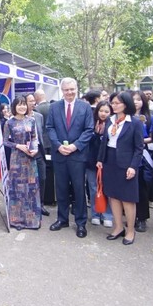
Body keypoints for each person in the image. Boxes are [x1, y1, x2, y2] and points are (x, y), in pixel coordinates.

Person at [46, 78, 95, 238]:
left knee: (79, 189)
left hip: (77, 155)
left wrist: (75, 146)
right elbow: (50, 128)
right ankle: (62, 219)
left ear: (76, 89)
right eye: (66, 90)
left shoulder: (85, 107)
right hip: (59, 154)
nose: (69, 92)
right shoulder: (54, 107)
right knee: (61, 188)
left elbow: (89, 130)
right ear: (62, 90)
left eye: (72, 89)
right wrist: (58, 145)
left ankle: (81, 223)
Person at [97, 91, 145, 245]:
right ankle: (118, 227)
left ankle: (130, 230)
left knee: (127, 198)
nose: (114, 105)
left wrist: (133, 166)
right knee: (113, 195)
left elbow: (139, 148)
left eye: (118, 103)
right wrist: (100, 160)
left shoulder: (135, 123)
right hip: (110, 161)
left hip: (126, 163)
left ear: (126, 104)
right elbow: (104, 142)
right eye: (113, 103)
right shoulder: (110, 121)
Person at [3, 96, 42, 229]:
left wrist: (35, 149)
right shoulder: (9, 123)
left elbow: (35, 138)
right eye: (19, 105)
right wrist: (19, 146)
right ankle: (17, 220)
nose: (22, 107)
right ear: (14, 107)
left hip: (30, 159)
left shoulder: (31, 121)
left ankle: (32, 220)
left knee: (31, 188)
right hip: (16, 159)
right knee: (17, 188)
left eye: (24, 104)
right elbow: (5, 141)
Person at [131, 90, 153, 233]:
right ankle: (130, 216)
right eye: (133, 99)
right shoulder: (124, 117)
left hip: (143, 155)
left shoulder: (150, 118)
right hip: (126, 155)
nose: (136, 102)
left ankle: (142, 218)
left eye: (139, 99)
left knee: (142, 188)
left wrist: (140, 141)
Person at [86, 101, 113, 227]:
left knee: (106, 189)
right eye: (101, 111)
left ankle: (107, 214)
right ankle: (95, 213)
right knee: (93, 188)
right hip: (91, 161)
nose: (103, 114)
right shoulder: (91, 124)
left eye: (106, 111)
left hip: (107, 162)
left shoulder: (113, 125)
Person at [26, 92, 50, 216]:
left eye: (33, 100)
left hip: (39, 152)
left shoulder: (39, 116)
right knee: (28, 180)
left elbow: (42, 133)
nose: (32, 103)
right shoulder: (20, 118)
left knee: (42, 178)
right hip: (26, 153)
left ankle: (41, 204)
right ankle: (29, 205)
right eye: (29, 101)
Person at [34, 88, 51, 155]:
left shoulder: (36, 110)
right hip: (54, 141)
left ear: (36, 97)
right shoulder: (53, 107)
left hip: (43, 142)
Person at [0, 102, 12, 169]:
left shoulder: (10, 118)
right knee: (7, 156)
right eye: (4, 109)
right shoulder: (1, 120)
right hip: (5, 141)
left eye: (6, 108)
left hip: (11, 140)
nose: (6, 110)